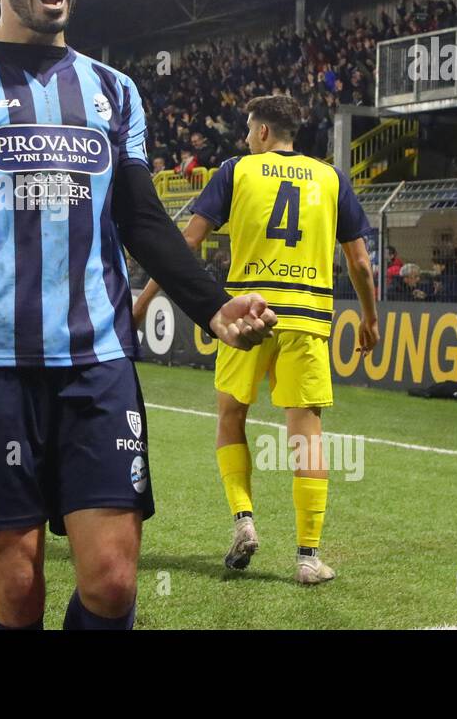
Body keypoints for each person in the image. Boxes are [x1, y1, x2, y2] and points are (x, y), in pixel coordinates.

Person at [0, 0, 276, 631]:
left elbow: (143, 220)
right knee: (16, 583)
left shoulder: (115, 93)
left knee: (110, 580)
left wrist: (214, 304)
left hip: (95, 355)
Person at [133, 94, 379, 585]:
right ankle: (308, 557)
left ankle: (243, 518)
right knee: (306, 435)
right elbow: (359, 263)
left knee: (231, 416)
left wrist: (143, 301)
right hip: (307, 317)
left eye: (248, 129)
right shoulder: (331, 179)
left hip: (246, 318)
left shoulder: (237, 171)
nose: (246, 137)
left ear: (263, 132)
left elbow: (186, 245)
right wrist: (370, 319)